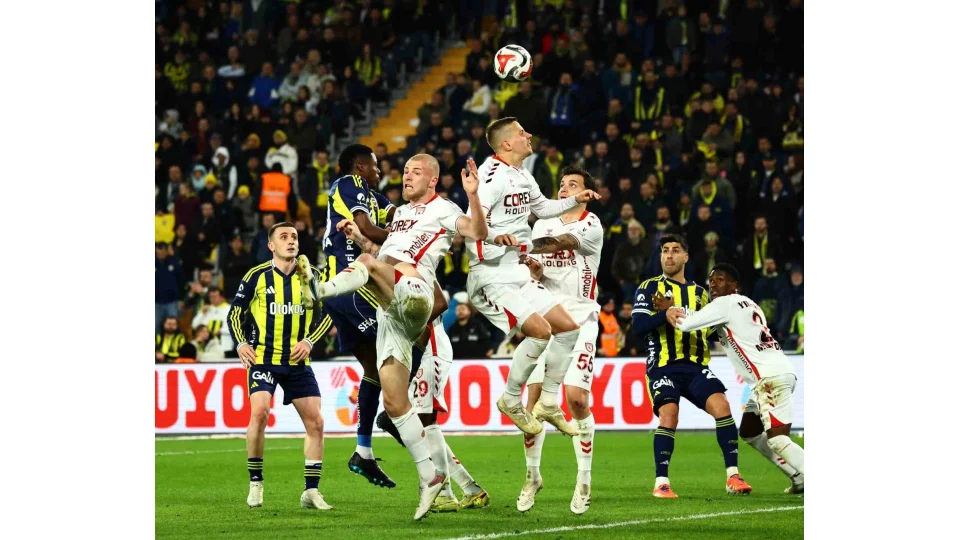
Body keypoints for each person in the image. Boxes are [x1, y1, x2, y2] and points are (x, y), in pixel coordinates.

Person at [315, 153, 489, 520]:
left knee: (367, 266)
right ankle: (432, 477)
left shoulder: (444, 207)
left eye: (416, 172)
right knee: (394, 404)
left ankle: (320, 289)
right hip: (391, 311)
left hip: (418, 299)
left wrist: (473, 195)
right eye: (405, 171)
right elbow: (387, 253)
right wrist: (361, 238)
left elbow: (476, 231)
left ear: (433, 180)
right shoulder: (401, 216)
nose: (406, 176)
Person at [467, 117, 600, 438]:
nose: (529, 135)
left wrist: (575, 200)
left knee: (568, 329)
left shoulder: (522, 174)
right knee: (540, 332)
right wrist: (496, 236)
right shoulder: (490, 176)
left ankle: (548, 401)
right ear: (506, 143)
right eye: (521, 132)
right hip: (490, 274)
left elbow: (542, 208)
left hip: (516, 270)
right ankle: (511, 399)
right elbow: (472, 223)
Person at [632, 234, 753, 498]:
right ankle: (661, 483)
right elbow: (638, 326)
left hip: (696, 366)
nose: (669, 255)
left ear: (685, 257)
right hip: (663, 366)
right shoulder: (649, 288)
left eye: (675, 250)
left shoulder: (700, 293)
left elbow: (710, 331)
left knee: (722, 406)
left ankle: (733, 476)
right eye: (665, 250)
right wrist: (664, 314)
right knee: (669, 414)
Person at [670, 264, 804, 494]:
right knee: (750, 432)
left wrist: (670, 309)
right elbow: (716, 329)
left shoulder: (725, 303)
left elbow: (687, 324)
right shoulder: (750, 304)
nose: (713, 284)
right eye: (711, 280)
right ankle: (798, 477)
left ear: (733, 286)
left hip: (769, 378)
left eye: (720, 279)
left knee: (778, 440)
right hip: (778, 373)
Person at [227, 223, 334, 510]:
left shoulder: (312, 276)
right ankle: (256, 483)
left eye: (294, 237)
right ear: (271, 246)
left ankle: (311, 491)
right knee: (260, 413)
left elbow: (330, 314)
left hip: (298, 361)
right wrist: (241, 343)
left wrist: (309, 341)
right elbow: (235, 313)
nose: (291, 241)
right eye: (283, 237)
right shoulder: (256, 276)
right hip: (263, 358)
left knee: (316, 422)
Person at [516, 166, 604, 515]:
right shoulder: (542, 224)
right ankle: (532, 476)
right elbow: (533, 271)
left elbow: (565, 243)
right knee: (533, 401)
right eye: (563, 184)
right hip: (546, 319)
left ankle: (584, 479)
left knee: (577, 399)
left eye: (574, 185)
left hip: (581, 318)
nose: (565, 189)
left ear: (586, 193)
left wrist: (524, 244)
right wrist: (532, 269)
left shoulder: (591, 224)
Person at [320, 143, 399, 487]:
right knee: (406, 338)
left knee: (374, 370)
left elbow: (397, 218)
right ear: (360, 166)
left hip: (344, 293)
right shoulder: (349, 184)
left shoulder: (374, 196)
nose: (379, 171)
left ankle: (363, 452)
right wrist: (400, 240)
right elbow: (366, 228)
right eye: (375, 165)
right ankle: (394, 414)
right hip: (351, 285)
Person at [191, 288, 234, 355]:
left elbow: (236, 327)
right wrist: (202, 313)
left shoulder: (230, 309)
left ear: (222, 297)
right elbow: (194, 325)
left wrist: (221, 331)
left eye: (215, 296)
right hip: (207, 347)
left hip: (225, 345)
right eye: (211, 297)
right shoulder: (206, 310)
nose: (213, 298)